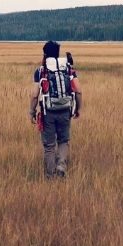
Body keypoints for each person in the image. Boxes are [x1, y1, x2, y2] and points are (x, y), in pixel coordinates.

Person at [29, 40, 81, 178]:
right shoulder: (68, 68)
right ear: (58, 54)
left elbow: (34, 95)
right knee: (63, 140)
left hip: (48, 113)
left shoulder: (40, 71)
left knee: (49, 145)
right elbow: (78, 90)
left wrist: (32, 112)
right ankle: (61, 167)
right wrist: (77, 108)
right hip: (65, 110)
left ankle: (50, 175)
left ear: (45, 54)